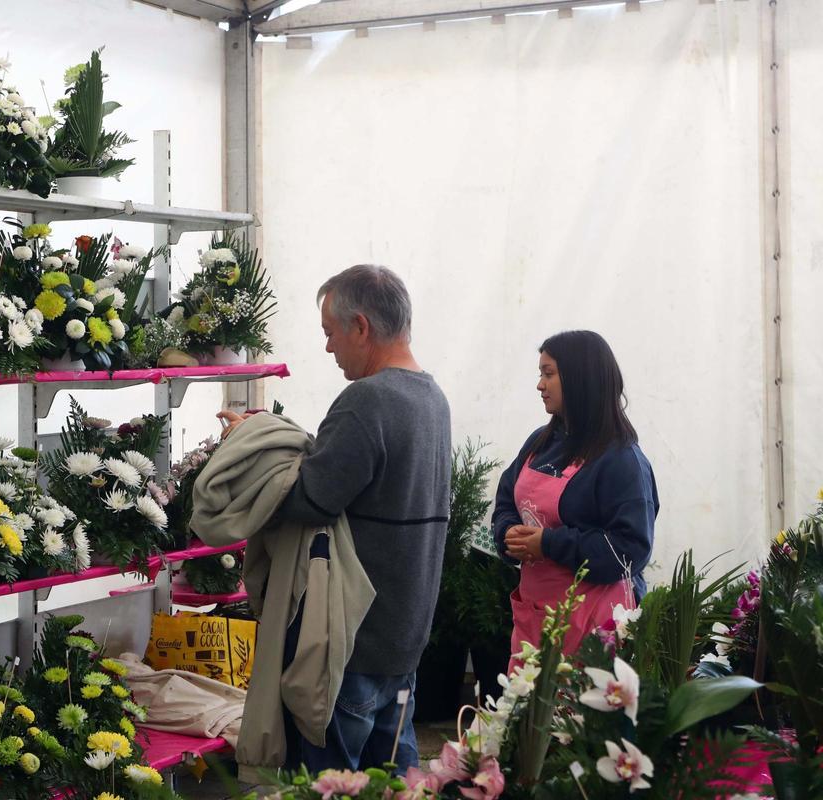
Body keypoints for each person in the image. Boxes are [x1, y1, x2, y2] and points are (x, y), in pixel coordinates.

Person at [219, 264, 451, 774]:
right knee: (398, 779)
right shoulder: (432, 398)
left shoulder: (367, 401)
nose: (328, 348)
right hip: (403, 638)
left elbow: (309, 499)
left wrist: (249, 444)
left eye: (330, 333)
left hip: (351, 645)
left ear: (361, 327)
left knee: (331, 782)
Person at [491, 330, 657, 669]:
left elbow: (630, 549)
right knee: (527, 717)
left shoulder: (621, 460)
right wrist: (508, 532)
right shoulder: (540, 442)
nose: (540, 384)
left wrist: (549, 544)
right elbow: (507, 497)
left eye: (548, 373)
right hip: (535, 618)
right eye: (541, 373)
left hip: (594, 629)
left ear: (580, 378)